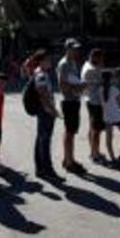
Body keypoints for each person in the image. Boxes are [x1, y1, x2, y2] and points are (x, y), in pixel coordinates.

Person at [32, 49, 63, 181]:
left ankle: (40, 169)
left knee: (41, 139)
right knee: (45, 141)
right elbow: (43, 95)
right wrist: (53, 110)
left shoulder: (42, 73)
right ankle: (47, 170)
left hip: (45, 111)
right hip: (45, 112)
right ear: (41, 61)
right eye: (47, 59)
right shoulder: (41, 75)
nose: (50, 61)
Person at [57, 39, 87, 173]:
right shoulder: (64, 64)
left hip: (74, 100)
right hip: (69, 101)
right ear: (67, 49)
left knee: (71, 132)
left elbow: (72, 80)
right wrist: (78, 87)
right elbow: (62, 85)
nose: (76, 51)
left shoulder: (73, 62)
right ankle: (69, 163)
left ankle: (68, 159)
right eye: (73, 49)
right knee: (69, 132)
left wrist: (80, 86)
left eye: (77, 49)